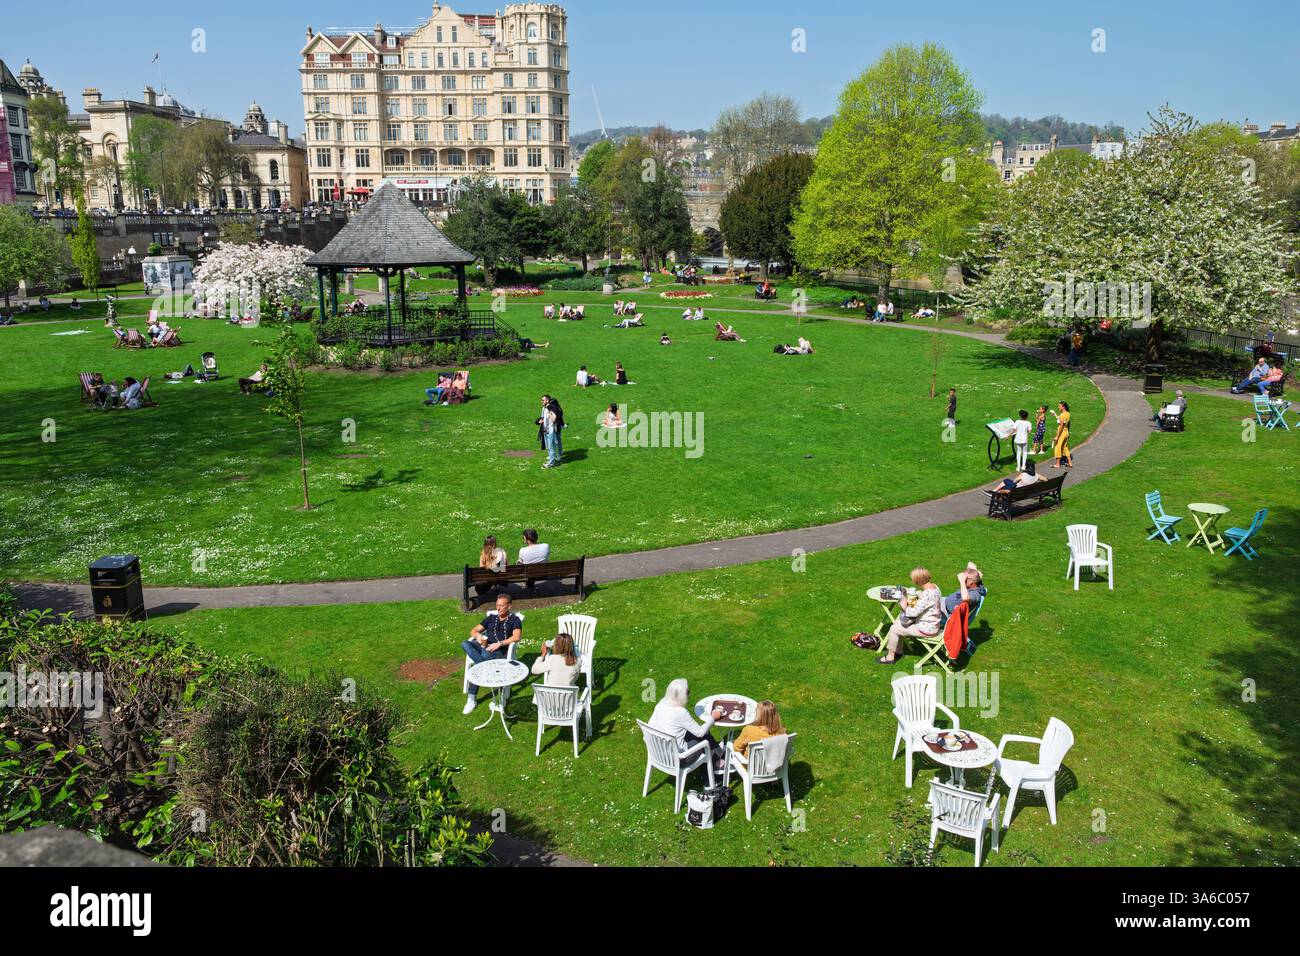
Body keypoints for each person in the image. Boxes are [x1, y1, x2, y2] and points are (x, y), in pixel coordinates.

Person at [462, 593, 523, 713]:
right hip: (484, 646)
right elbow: (473, 630)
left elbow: (516, 637)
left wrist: (499, 644)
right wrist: (478, 637)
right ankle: (481, 665)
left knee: (483, 657)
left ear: (509, 606)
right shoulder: (491, 618)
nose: (498, 608)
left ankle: (471, 698)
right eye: (497, 605)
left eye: (502, 605)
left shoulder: (514, 620)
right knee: (465, 643)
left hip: (498, 651)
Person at [649, 679, 726, 772]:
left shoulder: (660, 704)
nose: (689, 695)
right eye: (687, 692)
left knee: (702, 736)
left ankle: (719, 757)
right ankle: (716, 769)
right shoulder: (680, 712)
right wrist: (713, 717)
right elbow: (700, 732)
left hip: (659, 754)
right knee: (705, 738)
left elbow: (650, 725)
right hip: (679, 760)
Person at [877, 567, 943, 665]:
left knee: (894, 629)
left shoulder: (928, 594)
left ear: (918, 580)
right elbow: (927, 600)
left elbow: (912, 613)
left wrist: (904, 603)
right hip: (933, 624)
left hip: (926, 628)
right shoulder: (934, 587)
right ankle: (898, 652)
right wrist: (917, 595)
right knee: (898, 623)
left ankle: (890, 657)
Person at [538, 395, 564, 469]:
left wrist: (550, 414)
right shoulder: (545, 408)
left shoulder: (551, 407)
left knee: (551, 447)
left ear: (547, 400)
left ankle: (551, 463)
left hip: (551, 430)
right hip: (546, 430)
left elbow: (554, 418)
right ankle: (551, 459)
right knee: (549, 447)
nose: (542, 402)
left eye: (543, 400)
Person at [1053, 401, 1073, 469]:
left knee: (1057, 447)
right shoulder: (1067, 414)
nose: (1058, 407)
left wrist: (1057, 436)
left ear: (1063, 407)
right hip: (1066, 431)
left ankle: (1058, 464)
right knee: (1065, 447)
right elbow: (1063, 422)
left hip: (1062, 432)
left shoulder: (1062, 415)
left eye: (1059, 406)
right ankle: (1070, 462)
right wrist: (1055, 414)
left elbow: (1061, 425)